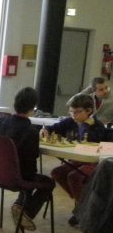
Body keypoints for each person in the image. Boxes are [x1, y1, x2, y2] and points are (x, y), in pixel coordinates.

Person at [0, 87, 54, 231]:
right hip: (14, 178)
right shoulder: (31, 131)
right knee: (47, 182)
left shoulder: (1, 122)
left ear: (15, 104)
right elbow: (32, 158)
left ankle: (20, 205)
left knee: (24, 173)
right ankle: (26, 212)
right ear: (33, 108)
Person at [41, 94, 106, 225]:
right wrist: (44, 130)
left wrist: (84, 125)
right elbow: (53, 128)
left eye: (77, 112)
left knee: (74, 176)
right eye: (71, 111)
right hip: (78, 159)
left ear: (89, 111)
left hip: (95, 162)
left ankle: (82, 210)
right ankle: (83, 206)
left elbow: (89, 140)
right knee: (57, 172)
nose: (73, 115)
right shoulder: (71, 120)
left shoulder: (97, 126)